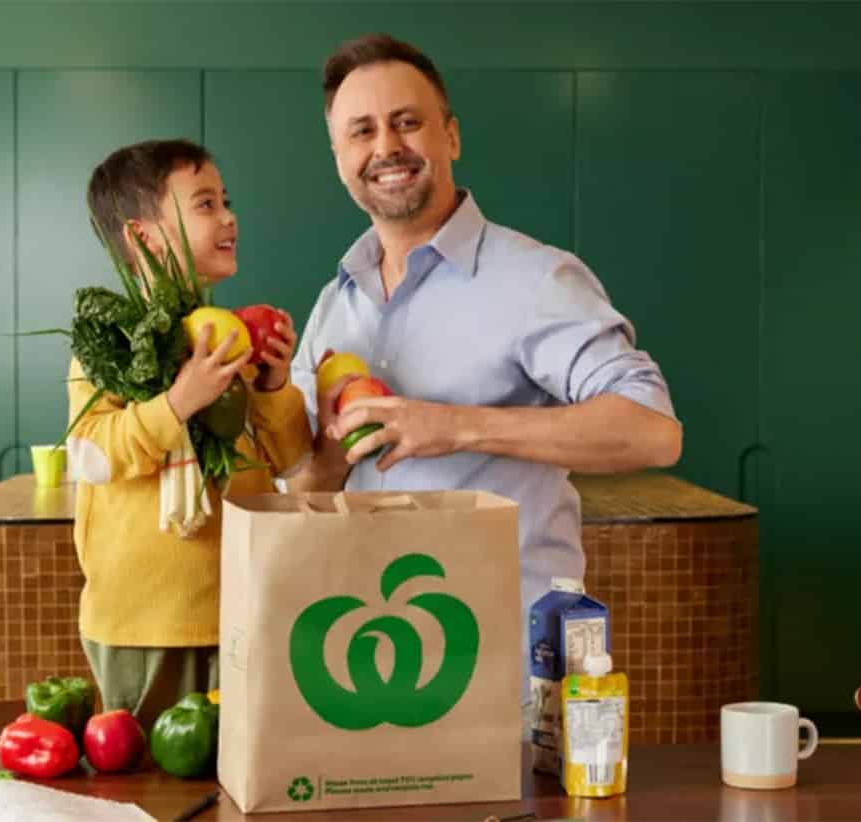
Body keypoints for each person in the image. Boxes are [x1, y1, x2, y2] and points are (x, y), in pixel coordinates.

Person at [286, 34, 683, 694]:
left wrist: (455, 426)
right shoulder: (336, 302)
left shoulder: (533, 279)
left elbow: (654, 429)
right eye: (362, 131)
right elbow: (311, 489)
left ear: (451, 136)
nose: (386, 147)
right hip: (367, 667)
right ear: (339, 159)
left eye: (406, 122)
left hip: (509, 669)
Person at [66, 139, 312, 727]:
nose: (229, 218)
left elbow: (289, 461)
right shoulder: (111, 344)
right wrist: (177, 404)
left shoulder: (229, 337)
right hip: (145, 622)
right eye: (205, 204)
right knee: (155, 788)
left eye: (226, 201)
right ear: (144, 236)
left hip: (242, 608)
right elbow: (91, 456)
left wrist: (275, 386)